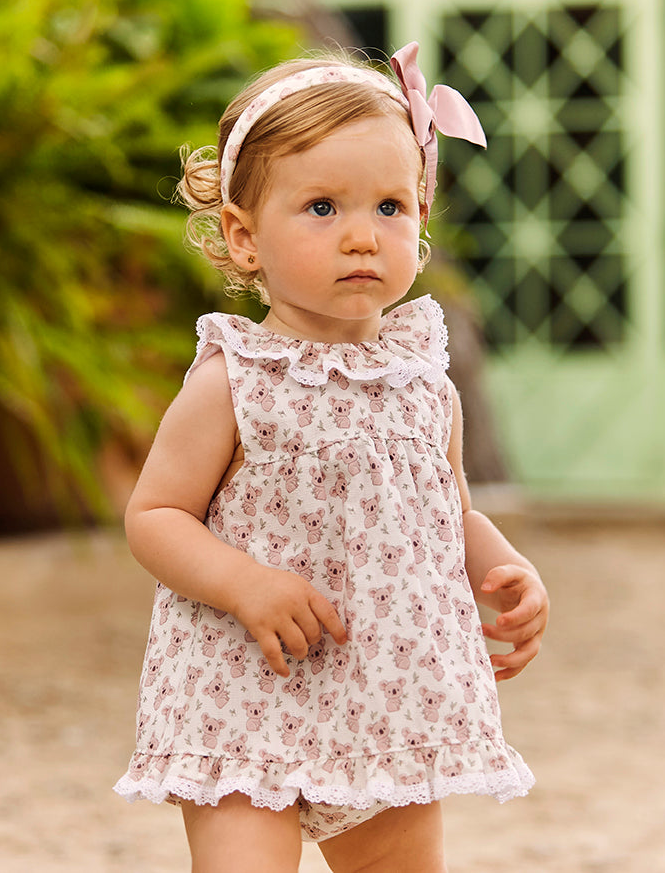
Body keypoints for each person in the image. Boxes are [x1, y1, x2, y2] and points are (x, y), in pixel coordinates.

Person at [113, 42, 549, 873]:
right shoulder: (235, 380)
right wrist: (246, 582)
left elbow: (446, 509)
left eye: (390, 206)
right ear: (244, 238)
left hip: (386, 695)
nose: (362, 236)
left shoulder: (427, 381)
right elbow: (154, 516)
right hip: (243, 693)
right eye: (322, 208)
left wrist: (504, 565)